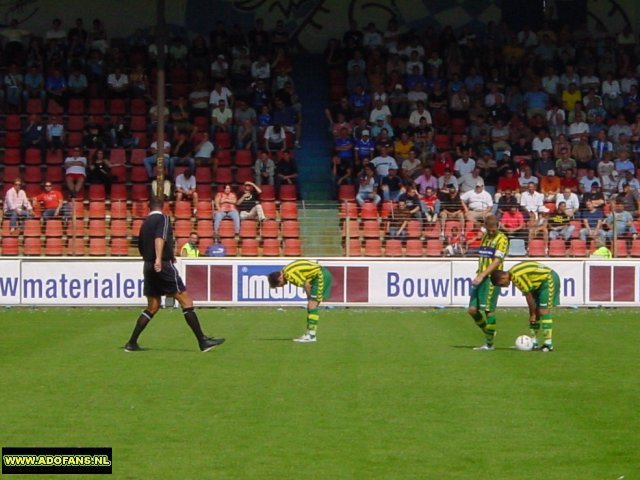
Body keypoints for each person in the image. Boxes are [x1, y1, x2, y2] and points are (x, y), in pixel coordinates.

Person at [124, 197, 224, 352]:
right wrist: (159, 258)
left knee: (152, 306)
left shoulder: (144, 224)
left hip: (148, 265)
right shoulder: (163, 218)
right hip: (161, 265)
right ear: (163, 207)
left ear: (149, 208)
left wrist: (155, 258)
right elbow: (160, 238)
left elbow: (141, 245)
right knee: (186, 301)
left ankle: (131, 343)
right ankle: (203, 341)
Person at [490, 261, 560, 352]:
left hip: (548, 279)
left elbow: (528, 295)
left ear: (502, 278)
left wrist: (532, 314)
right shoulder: (513, 274)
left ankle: (548, 344)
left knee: (543, 311)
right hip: (537, 284)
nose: (503, 287)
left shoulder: (516, 276)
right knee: (537, 311)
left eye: (501, 284)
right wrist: (533, 313)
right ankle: (534, 342)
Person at [468, 215, 510, 351]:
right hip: (480, 276)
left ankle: (489, 344)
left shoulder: (502, 239)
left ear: (498, 226)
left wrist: (482, 275)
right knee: (472, 310)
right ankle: (489, 331)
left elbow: (497, 260)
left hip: (492, 278)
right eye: (489, 229)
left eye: (494, 229)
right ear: (485, 227)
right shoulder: (485, 236)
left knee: (488, 310)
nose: (491, 232)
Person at [268, 259, 333, 343]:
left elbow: (306, 285)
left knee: (312, 306)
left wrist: (309, 297)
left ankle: (311, 336)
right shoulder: (286, 270)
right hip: (319, 275)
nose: (282, 286)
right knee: (311, 306)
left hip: (320, 276)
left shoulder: (289, 274)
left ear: (280, 278)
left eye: (279, 285)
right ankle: (309, 333)